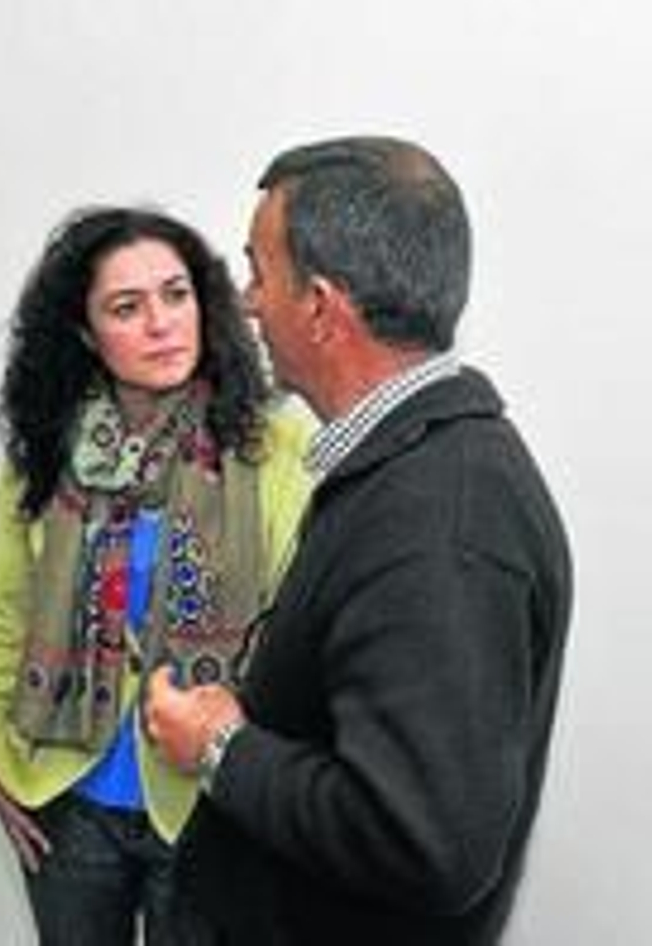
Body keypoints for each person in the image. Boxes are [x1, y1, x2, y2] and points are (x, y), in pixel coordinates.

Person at [144, 136, 573, 945]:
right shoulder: (413, 465)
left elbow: (426, 840)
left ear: (321, 307)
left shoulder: (443, 524)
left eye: (260, 273)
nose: (246, 302)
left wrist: (221, 748)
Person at [0, 206, 310, 945]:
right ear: (85, 333)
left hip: (210, 805)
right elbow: (2, 606)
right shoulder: (50, 450)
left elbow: (299, 628)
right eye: (127, 307)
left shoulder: (274, 445)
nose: (161, 323)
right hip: (67, 798)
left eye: (176, 296)